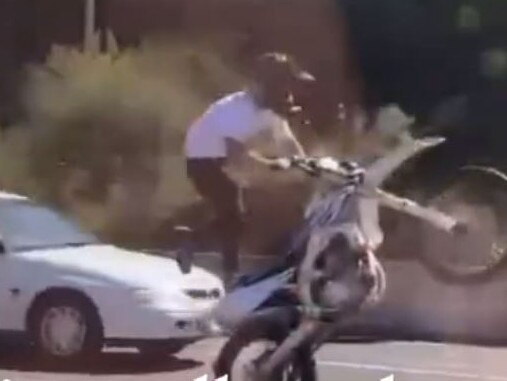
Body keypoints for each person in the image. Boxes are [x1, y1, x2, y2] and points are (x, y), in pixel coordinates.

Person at [182, 52, 315, 287]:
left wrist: (308, 166)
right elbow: (236, 156)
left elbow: (287, 142)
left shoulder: (269, 108)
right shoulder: (238, 110)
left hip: (220, 159)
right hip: (203, 159)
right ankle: (211, 257)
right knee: (233, 213)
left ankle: (208, 254)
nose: (289, 92)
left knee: (233, 216)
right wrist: (272, 167)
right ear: (268, 85)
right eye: (284, 84)